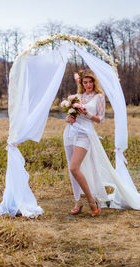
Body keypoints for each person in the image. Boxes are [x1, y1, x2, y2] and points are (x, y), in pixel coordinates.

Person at [63, 69, 106, 217]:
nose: (88, 85)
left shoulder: (99, 97)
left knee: (75, 167)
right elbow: (70, 114)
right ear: (81, 83)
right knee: (71, 167)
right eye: (85, 82)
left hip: (85, 134)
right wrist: (69, 117)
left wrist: (86, 114)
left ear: (95, 82)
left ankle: (92, 201)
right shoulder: (76, 96)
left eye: (90, 82)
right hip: (70, 132)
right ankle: (78, 201)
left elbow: (101, 119)